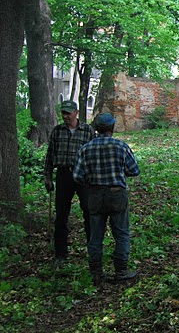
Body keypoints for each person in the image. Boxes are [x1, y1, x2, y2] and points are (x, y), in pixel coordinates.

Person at [73, 113, 140, 285]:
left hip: (95, 195)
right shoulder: (121, 146)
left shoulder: (85, 149)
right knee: (121, 234)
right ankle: (121, 272)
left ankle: (96, 273)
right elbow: (134, 170)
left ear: (96, 128)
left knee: (95, 236)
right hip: (117, 194)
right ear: (112, 128)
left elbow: (78, 176)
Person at [43, 100, 95, 268]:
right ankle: (60, 254)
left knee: (88, 212)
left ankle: (93, 251)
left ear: (76, 113)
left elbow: (94, 154)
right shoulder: (57, 131)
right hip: (64, 175)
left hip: (83, 176)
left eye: (68, 113)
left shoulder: (87, 130)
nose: (65, 116)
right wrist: (48, 177)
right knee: (61, 216)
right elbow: (50, 156)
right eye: (63, 113)